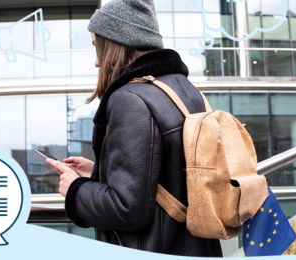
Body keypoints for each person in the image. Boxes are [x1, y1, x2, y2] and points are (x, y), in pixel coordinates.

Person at [46, 0, 223, 256]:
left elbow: (127, 208)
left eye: (97, 46)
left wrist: (75, 189)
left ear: (115, 43)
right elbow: (167, 176)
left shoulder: (130, 99)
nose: (96, 62)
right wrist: (100, 173)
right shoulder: (182, 90)